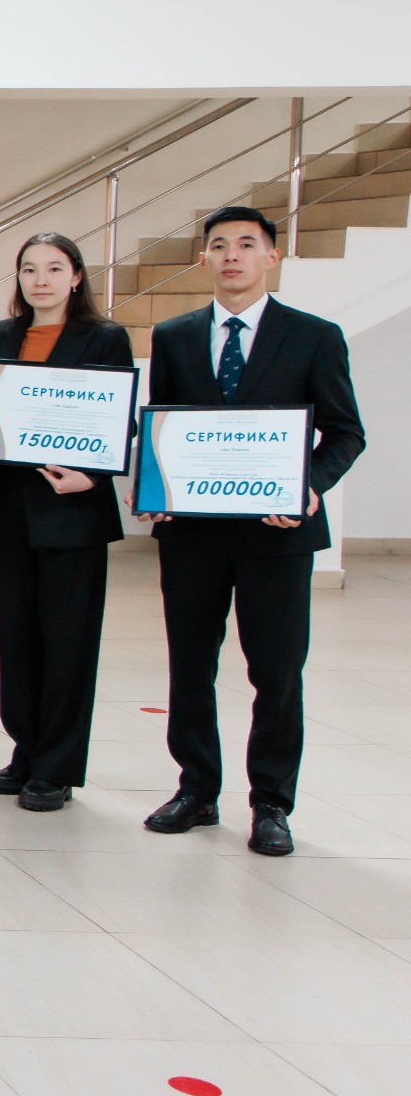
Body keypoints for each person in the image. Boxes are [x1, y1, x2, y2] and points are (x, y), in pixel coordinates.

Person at [141, 207, 364, 855]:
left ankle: (271, 802)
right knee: (190, 664)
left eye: (246, 244)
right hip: (194, 535)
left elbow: (345, 432)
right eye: (219, 245)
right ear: (204, 259)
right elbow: (164, 423)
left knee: (277, 671)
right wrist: (156, 485)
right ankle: (196, 789)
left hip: (277, 535)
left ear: (271, 255)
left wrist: (309, 485)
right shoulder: (174, 336)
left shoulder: (314, 336)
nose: (232, 255)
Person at [0, 233, 135, 811]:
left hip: (72, 510)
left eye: (54, 269)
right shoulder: (2, 335)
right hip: (10, 510)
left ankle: (57, 766)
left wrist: (94, 476)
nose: (41, 280)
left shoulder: (104, 338)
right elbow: (1, 423)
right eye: (29, 269)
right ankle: (27, 750)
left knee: (68, 643)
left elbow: (120, 421)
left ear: (76, 276)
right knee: (18, 639)